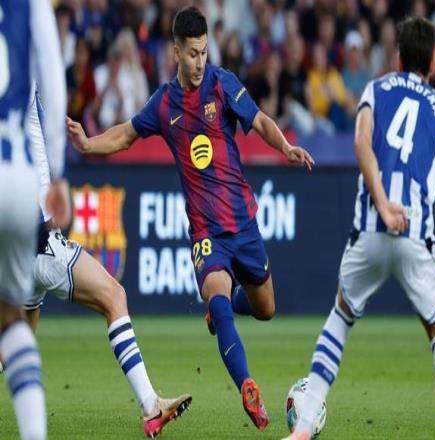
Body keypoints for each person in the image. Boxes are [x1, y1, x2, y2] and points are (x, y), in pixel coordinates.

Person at [66, 5, 314, 432]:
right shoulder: (165, 103)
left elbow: (259, 120)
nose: (200, 62)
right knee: (217, 295)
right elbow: (125, 134)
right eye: (193, 53)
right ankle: (247, 384)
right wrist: (88, 145)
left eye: (204, 52)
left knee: (266, 308)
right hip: (206, 232)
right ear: (176, 52)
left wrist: (285, 147)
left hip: (243, 223)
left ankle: (222, 312)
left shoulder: (222, 83)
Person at [283, 17, 435, 440]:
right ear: (432, 63)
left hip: (372, 227)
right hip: (415, 234)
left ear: (398, 58)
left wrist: (382, 202)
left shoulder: (376, 89)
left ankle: (303, 428)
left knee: (340, 315)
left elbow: (361, 143)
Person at [22, 85, 191, 439]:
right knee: (114, 296)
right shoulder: (19, 72)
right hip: (39, 240)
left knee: (12, 346)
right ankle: (151, 405)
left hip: (19, 247)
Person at [0, 0, 70, 438]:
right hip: (18, 180)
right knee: (12, 317)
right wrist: (58, 175)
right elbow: (53, 81)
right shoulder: (30, 6)